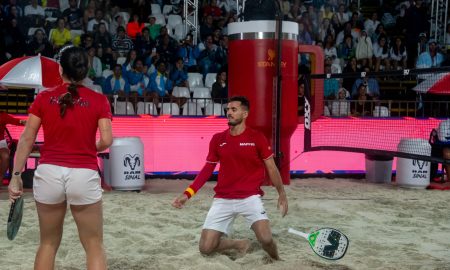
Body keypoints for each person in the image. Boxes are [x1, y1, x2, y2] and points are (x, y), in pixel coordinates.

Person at [8, 46, 113, 270]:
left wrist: (16, 176)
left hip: (49, 173)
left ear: (60, 68)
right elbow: (106, 141)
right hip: (83, 174)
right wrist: (87, 148)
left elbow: (26, 139)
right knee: (94, 245)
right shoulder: (99, 100)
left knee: (47, 244)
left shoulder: (44, 98)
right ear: (85, 70)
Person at [172, 96, 288, 260]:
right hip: (223, 199)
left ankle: (278, 261)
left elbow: (272, 168)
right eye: (227, 110)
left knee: (266, 240)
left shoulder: (257, 137)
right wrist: (187, 194)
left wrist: (281, 193)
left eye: (234, 110)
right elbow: (207, 170)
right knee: (205, 248)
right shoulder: (218, 139)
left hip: (249, 198)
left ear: (245, 113)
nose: (229, 113)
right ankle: (239, 243)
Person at [0, 111, 25, 180]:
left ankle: (0, 178)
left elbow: (15, 121)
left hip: (0, 143)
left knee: (5, 156)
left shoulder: (2, 115)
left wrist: (26, 122)